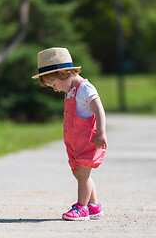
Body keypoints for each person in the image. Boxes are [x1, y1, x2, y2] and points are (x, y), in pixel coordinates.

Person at [32, 47, 107, 221]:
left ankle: (81, 208)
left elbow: (99, 109)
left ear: (63, 74)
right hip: (76, 145)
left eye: (54, 85)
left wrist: (102, 132)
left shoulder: (85, 88)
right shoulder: (71, 91)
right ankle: (94, 206)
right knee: (80, 174)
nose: (55, 89)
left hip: (89, 142)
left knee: (82, 174)